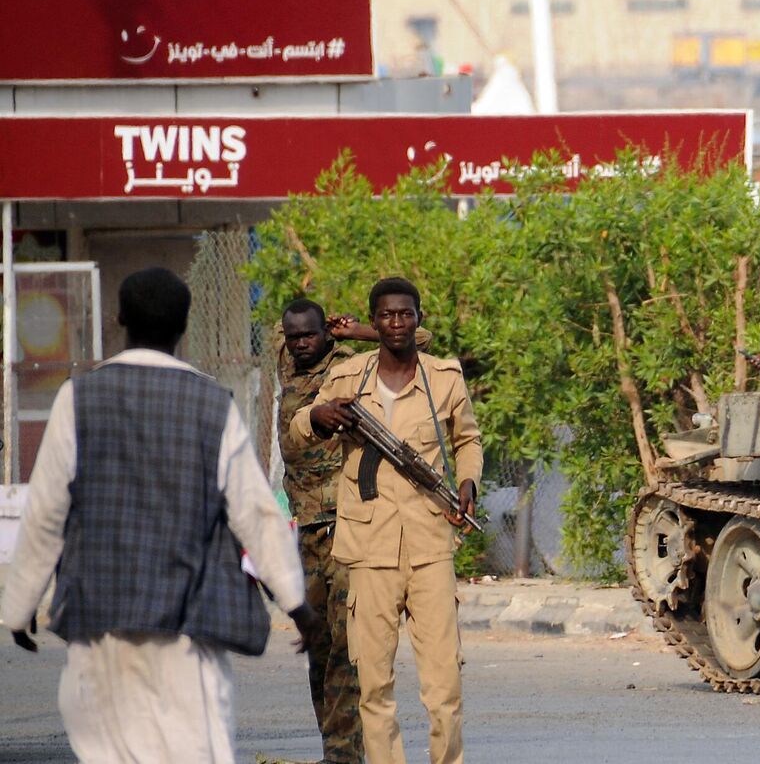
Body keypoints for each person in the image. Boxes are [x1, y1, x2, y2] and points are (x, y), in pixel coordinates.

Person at [2, 267, 313, 764]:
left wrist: (19, 609)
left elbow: (45, 514)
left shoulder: (77, 398)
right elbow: (256, 514)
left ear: (120, 319)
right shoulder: (212, 405)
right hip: (187, 637)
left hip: (97, 629)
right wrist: (296, 603)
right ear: (185, 325)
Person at [292, 278, 481, 764]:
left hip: (430, 545)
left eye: (405, 314)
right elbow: (297, 430)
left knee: (444, 688)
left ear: (418, 320)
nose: (396, 323)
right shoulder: (349, 378)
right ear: (372, 322)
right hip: (369, 550)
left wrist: (468, 484)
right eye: (387, 315)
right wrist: (322, 417)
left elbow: (468, 440)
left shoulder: (444, 377)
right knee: (373, 686)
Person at [279, 302, 433, 764]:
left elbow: (418, 340)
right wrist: (310, 327)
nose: (302, 343)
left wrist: (355, 332)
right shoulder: (285, 360)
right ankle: (336, 746)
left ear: (325, 335)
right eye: (295, 337)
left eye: (311, 335)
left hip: (347, 530)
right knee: (320, 648)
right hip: (306, 530)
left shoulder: (350, 368)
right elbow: (282, 325)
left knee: (349, 648)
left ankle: (345, 755)